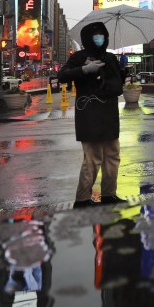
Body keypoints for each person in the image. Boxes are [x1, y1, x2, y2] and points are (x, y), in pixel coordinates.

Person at [58, 21, 125, 208]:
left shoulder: (110, 58)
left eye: (101, 34)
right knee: (93, 158)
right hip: (89, 114)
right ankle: (82, 198)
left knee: (113, 155)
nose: (99, 37)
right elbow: (62, 75)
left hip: (109, 114)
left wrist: (122, 72)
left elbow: (117, 87)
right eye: (95, 34)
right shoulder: (79, 57)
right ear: (88, 38)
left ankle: (109, 194)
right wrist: (84, 70)